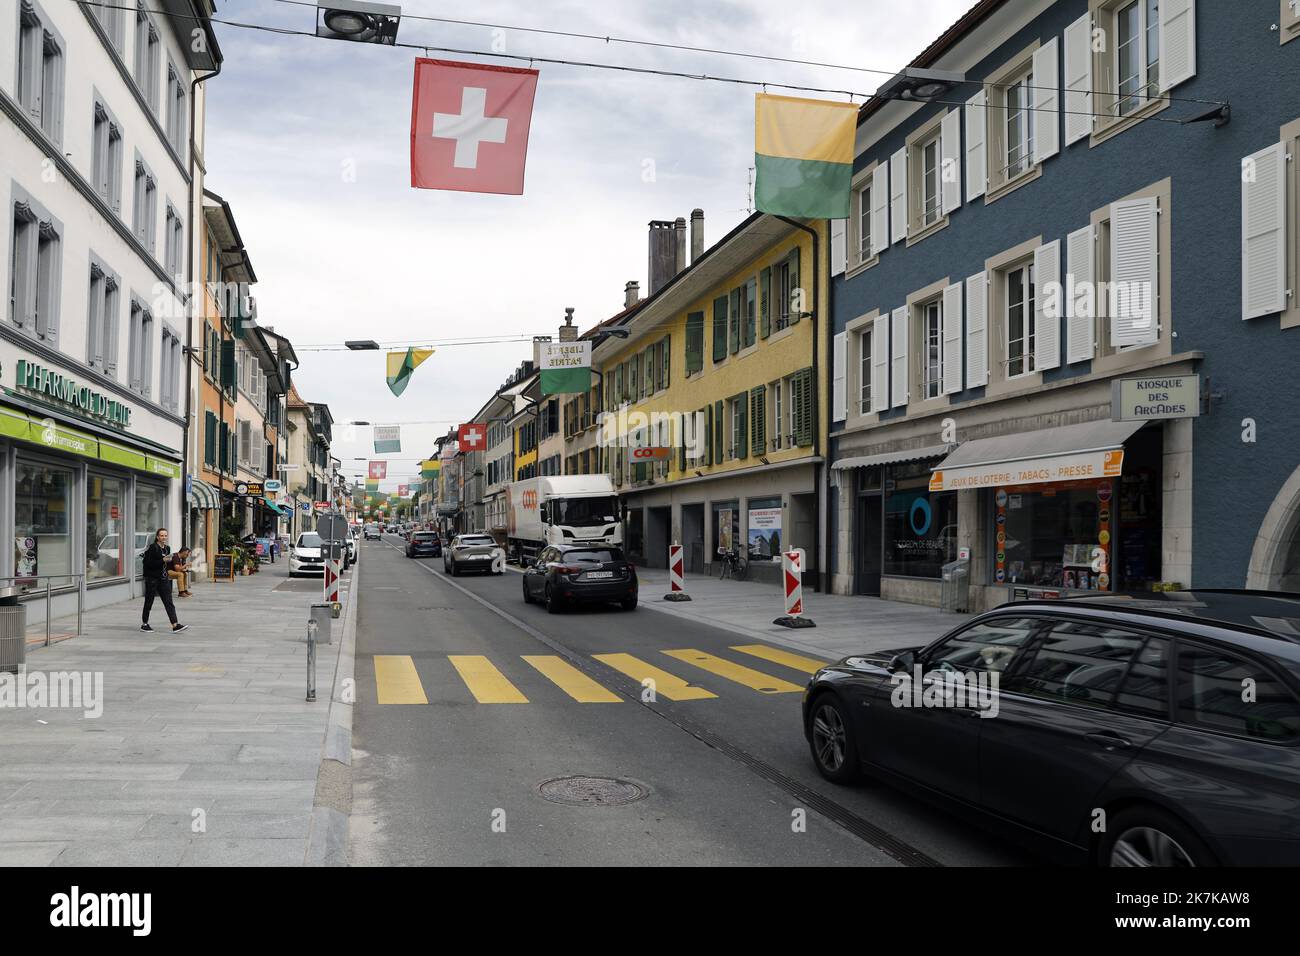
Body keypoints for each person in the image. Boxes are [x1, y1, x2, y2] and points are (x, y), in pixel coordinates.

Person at [141, 528, 188, 632]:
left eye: (165, 535)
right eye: (161, 535)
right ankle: (144, 624)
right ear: (157, 537)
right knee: (149, 601)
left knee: (168, 601)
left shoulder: (167, 548)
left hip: (163, 578)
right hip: (152, 578)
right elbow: (149, 564)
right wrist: (162, 560)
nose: (164, 537)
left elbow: (165, 563)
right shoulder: (153, 548)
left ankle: (175, 625)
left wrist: (167, 563)